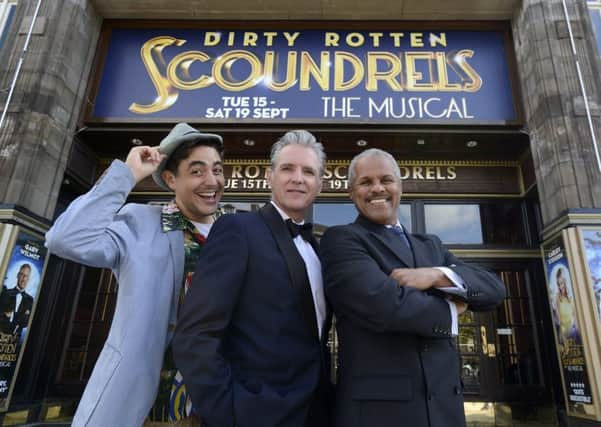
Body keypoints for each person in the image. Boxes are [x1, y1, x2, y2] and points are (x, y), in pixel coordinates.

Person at [45, 123, 225, 427]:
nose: (211, 181)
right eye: (197, 171)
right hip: (143, 404)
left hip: (215, 402)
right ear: (170, 179)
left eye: (217, 170)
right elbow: (65, 239)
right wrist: (127, 175)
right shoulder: (141, 223)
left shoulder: (234, 233)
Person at [320, 148, 506, 427]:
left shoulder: (430, 245)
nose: (377, 188)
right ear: (351, 193)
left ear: (400, 186)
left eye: (386, 179)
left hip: (446, 411)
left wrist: (435, 275)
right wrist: (452, 310)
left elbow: (494, 289)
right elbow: (384, 304)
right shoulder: (341, 240)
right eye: (365, 182)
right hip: (379, 414)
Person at [173, 130, 332, 427]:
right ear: (270, 177)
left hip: (315, 412)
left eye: (308, 171)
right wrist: (229, 413)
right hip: (252, 414)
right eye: (287, 168)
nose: (298, 178)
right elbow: (195, 335)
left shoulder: (318, 248)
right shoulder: (238, 229)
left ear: (319, 185)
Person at [0, 264, 34, 335]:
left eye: (26, 276)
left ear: (28, 279)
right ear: (17, 275)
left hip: (15, 340)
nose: (23, 279)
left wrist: (13, 316)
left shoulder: (30, 300)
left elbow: (28, 322)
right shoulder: (5, 293)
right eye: (22, 275)